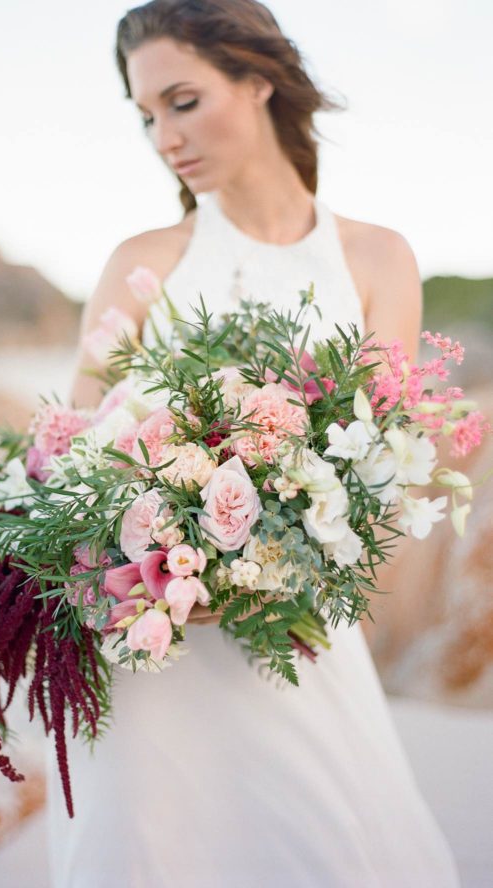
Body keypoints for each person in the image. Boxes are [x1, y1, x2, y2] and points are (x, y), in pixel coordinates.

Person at [46, 1, 462, 885]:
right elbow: (73, 459)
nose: (163, 135)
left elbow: (378, 463)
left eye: (183, 101)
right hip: (159, 647)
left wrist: (268, 555)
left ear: (258, 80)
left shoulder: (379, 258)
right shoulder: (141, 261)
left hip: (297, 637)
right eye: (145, 114)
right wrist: (157, 552)